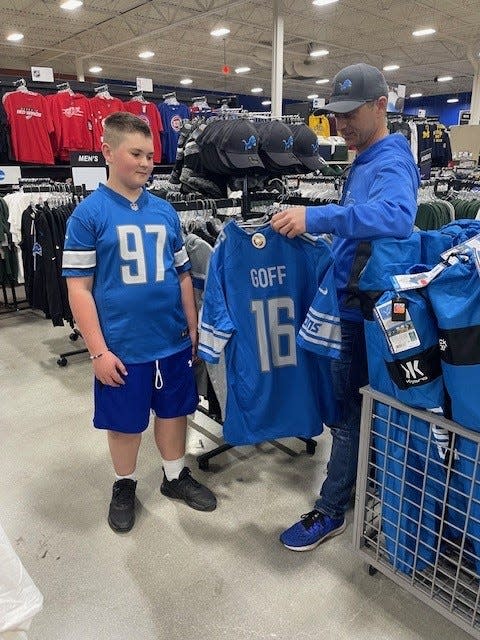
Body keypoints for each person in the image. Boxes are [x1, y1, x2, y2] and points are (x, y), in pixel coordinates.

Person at [271, 63, 420, 551]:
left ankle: (332, 509)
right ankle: (354, 489)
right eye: (335, 116)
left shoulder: (391, 162)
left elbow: (398, 216)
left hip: (361, 313)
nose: (341, 126)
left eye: (350, 114)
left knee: (348, 414)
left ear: (382, 106)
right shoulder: (365, 160)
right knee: (346, 411)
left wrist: (319, 215)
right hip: (347, 304)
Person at [62, 112, 216, 533]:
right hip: (122, 348)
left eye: (150, 154)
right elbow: (78, 289)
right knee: (125, 424)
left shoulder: (165, 212)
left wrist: (193, 326)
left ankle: (174, 476)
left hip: (171, 341)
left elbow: (183, 274)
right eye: (136, 154)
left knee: (174, 413)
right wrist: (97, 351)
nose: (146, 162)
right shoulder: (87, 215)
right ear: (108, 152)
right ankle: (125, 484)